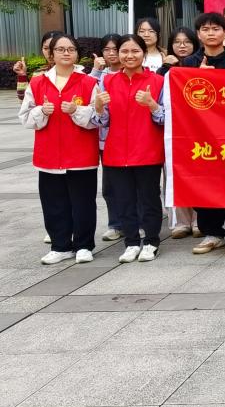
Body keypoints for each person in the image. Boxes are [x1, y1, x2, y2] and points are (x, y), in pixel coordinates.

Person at [20, 34, 100, 265]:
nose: (66, 53)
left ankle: (84, 245)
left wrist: (76, 111)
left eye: (71, 49)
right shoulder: (38, 82)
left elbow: (98, 118)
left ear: (77, 54)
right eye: (60, 49)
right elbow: (25, 117)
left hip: (81, 153)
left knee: (83, 202)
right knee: (54, 203)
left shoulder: (88, 82)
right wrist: (41, 112)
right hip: (49, 154)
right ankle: (60, 246)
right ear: (51, 54)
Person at [93, 34, 166, 263]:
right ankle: (132, 242)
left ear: (144, 53)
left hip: (147, 151)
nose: (129, 55)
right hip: (116, 152)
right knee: (123, 200)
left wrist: (152, 104)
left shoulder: (158, 81)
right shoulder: (107, 81)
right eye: (124, 51)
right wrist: (99, 107)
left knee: (149, 198)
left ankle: (151, 241)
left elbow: (165, 119)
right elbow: (102, 122)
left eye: (135, 51)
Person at [182, 13, 225, 256]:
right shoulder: (189, 63)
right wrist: (197, 77)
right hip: (200, 133)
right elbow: (182, 96)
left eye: (215, 29)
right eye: (205, 29)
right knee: (204, 182)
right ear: (199, 34)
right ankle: (212, 233)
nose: (211, 33)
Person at [158, 27, 200, 238]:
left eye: (187, 42)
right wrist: (166, 68)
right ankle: (181, 221)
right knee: (176, 173)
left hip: (200, 129)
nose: (182, 46)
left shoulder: (202, 64)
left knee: (201, 174)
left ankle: (199, 219)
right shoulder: (164, 69)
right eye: (177, 42)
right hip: (174, 129)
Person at [90, 33, 124, 242]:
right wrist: (96, 70)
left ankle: (137, 221)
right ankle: (115, 224)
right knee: (110, 186)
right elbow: (85, 92)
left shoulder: (132, 72)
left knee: (135, 185)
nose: (111, 53)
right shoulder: (99, 76)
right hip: (106, 139)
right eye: (106, 49)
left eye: (115, 49)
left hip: (130, 137)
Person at [14, 30, 62, 102]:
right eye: (46, 48)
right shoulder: (40, 72)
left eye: (54, 48)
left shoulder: (74, 72)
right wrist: (22, 75)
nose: (49, 52)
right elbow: (25, 98)